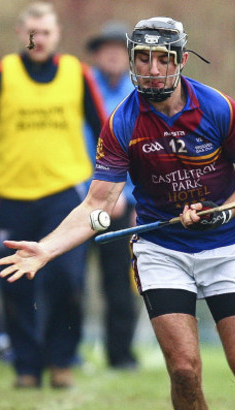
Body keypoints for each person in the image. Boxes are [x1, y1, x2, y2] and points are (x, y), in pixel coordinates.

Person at [0, 16, 235, 410]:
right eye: (143, 58)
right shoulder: (123, 122)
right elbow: (98, 204)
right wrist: (47, 248)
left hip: (226, 246)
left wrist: (222, 209)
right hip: (162, 248)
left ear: (179, 61)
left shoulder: (218, 108)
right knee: (183, 367)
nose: (152, 69)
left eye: (162, 59)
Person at [0, 2, 106, 388]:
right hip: (11, 195)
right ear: (20, 33)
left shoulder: (77, 74)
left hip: (65, 194)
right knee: (13, 280)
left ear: (57, 34)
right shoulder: (0, 75)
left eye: (45, 32)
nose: (39, 39)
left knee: (66, 276)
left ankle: (61, 360)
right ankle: (26, 367)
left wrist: (113, 183)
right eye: (33, 32)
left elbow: (103, 130)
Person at [84, 21, 139, 369]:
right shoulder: (81, 87)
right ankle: (65, 352)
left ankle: (120, 354)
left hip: (122, 205)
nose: (114, 54)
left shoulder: (139, 93)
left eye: (120, 48)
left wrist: (132, 199)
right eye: (107, 48)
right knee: (68, 278)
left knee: (119, 283)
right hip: (80, 199)